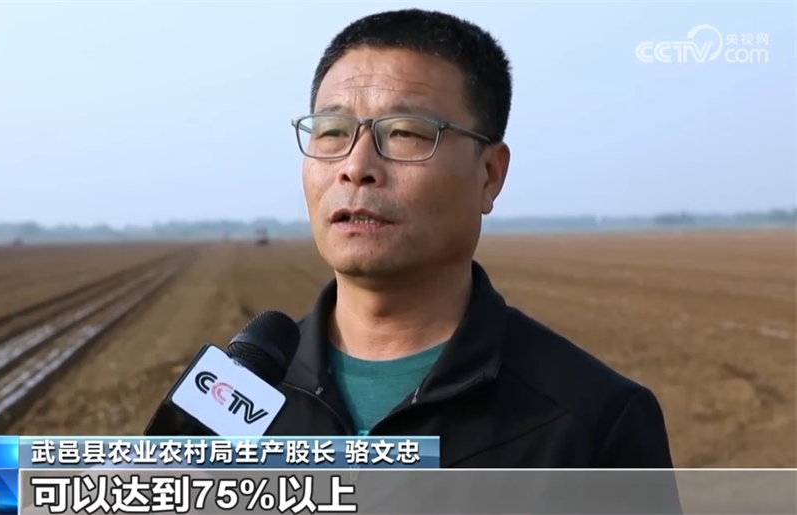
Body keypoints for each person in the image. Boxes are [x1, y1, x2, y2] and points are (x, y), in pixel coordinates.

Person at [270, 8, 676, 470]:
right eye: (332, 132)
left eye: (404, 132)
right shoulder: (234, 394)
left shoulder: (592, 421)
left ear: (490, 174)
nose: (356, 166)